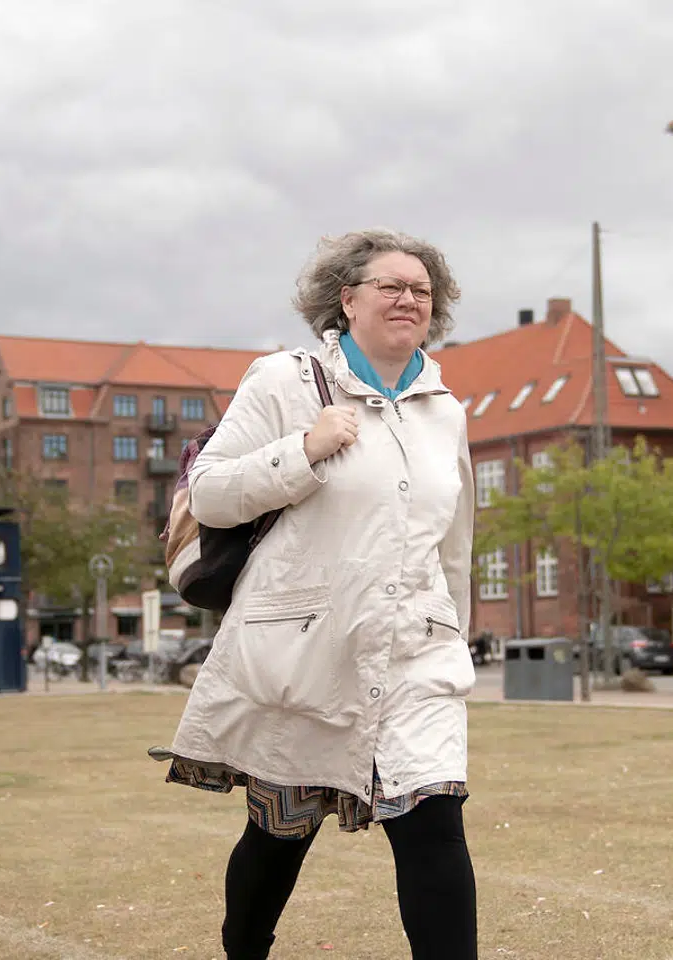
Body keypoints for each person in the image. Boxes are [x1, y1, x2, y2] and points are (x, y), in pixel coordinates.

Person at [160, 228, 478, 959]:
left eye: (421, 290)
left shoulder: (445, 409)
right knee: (279, 834)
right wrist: (302, 450)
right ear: (347, 300)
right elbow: (209, 494)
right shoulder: (284, 382)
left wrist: (451, 635)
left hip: (414, 659)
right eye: (390, 286)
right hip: (304, 654)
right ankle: (245, 949)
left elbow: (452, 543)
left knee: (435, 825)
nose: (408, 298)